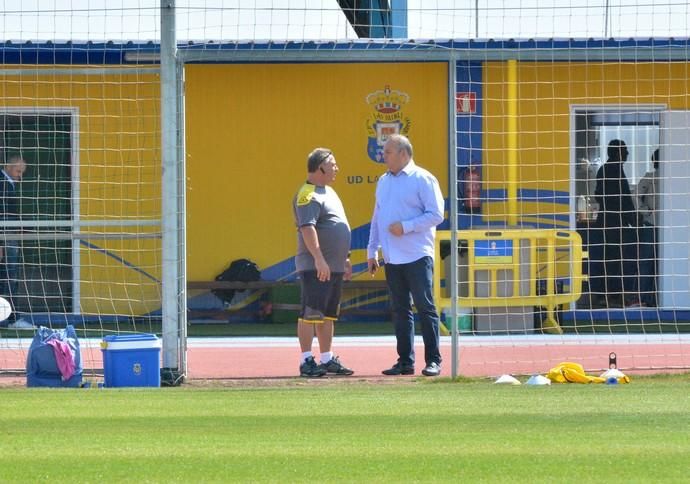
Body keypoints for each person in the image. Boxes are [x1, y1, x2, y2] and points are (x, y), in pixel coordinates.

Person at [367, 134, 445, 377]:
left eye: (388, 152)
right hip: (392, 257)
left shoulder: (423, 178)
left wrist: (407, 226)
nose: (383, 156)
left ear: (403, 153)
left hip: (417, 254)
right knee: (400, 310)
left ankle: (433, 360)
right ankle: (405, 361)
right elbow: (377, 218)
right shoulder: (383, 181)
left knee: (425, 307)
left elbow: (437, 214)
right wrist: (372, 250)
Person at [292, 147, 354, 377]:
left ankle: (327, 359)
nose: (337, 168)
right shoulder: (307, 194)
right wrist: (319, 259)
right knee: (310, 313)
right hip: (316, 267)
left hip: (334, 266)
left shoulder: (329, 192)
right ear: (320, 167)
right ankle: (306, 360)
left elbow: (337, 226)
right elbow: (307, 228)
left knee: (328, 314)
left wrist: (344, 259)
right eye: (333, 164)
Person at [594, 139, 643, 308]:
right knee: (614, 259)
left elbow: (598, 195)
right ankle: (612, 296)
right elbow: (623, 199)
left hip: (607, 220)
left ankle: (607, 295)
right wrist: (634, 219)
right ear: (618, 153)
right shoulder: (614, 170)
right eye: (625, 150)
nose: (628, 153)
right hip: (613, 222)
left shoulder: (605, 169)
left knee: (609, 258)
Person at [0, 155, 32, 329]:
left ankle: (9, 317)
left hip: (9, 235)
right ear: (8, 167)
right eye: (18, 171)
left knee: (9, 277)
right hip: (5, 238)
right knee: (10, 277)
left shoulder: (8, 183)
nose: (20, 176)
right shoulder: (2, 183)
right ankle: (12, 319)